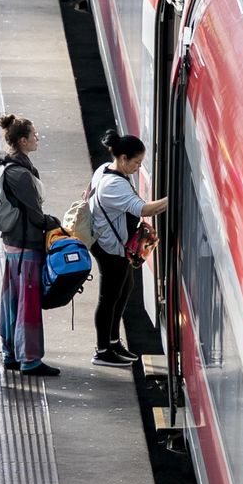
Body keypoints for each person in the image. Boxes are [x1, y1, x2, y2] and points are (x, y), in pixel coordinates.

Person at [87, 130, 169, 368]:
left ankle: (113, 342)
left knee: (124, 290)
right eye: (136, 162)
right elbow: (145, 210)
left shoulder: (104, 169)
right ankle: (103, 351)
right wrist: (172, 196)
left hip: (110, 243)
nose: (137, 167)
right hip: (110, 248)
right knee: (109, 297)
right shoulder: (114, 185)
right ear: (122, 158)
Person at [0, 114, 61, 376]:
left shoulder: (5, 166)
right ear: (22, 140)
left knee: (12, 301)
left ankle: (11, 353)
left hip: (14, 246)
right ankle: (30, 359)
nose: (37, 139)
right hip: (26, 247)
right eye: (34, 135)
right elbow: (35, 214)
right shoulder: (20, 174)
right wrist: (55, 222)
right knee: (28, 305)